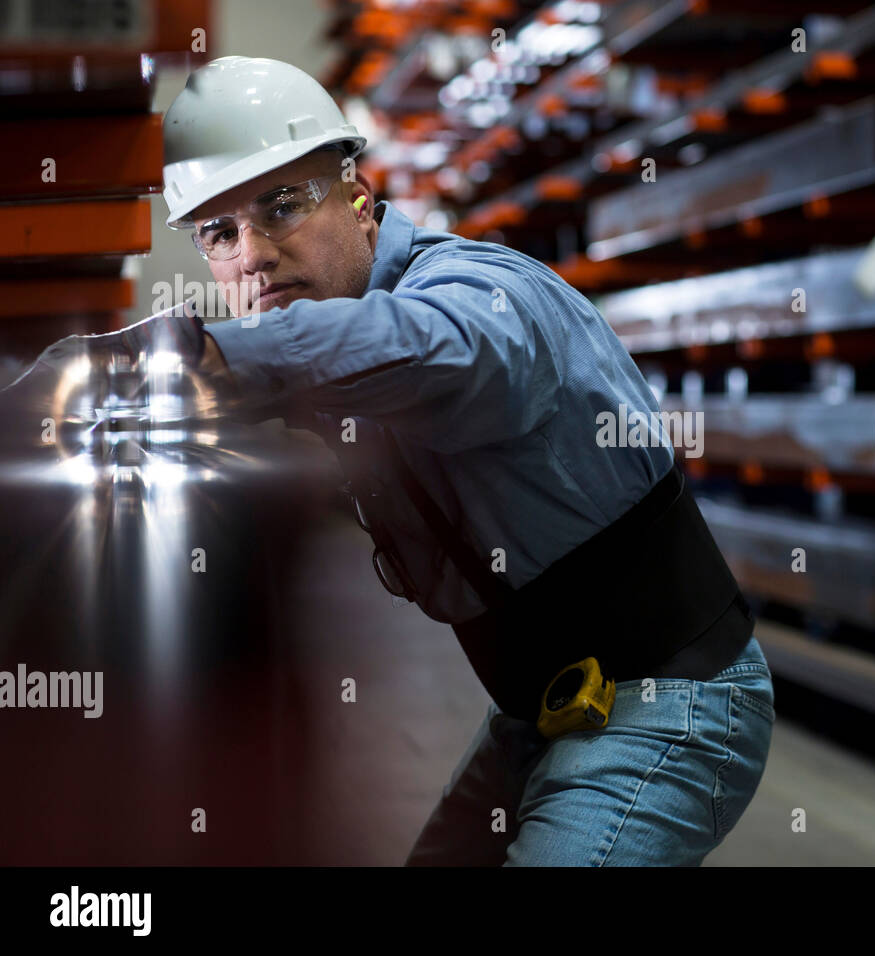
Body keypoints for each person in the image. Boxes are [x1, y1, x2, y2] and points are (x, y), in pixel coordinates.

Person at [7, 55, 774, 865]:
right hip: (544, 705)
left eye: (283, 205)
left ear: (360, 200)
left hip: (668, 697)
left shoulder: (480, 292)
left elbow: (438, 352)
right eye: (220, 233)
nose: (253, 254)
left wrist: (191, 353)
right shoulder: (330, 334)